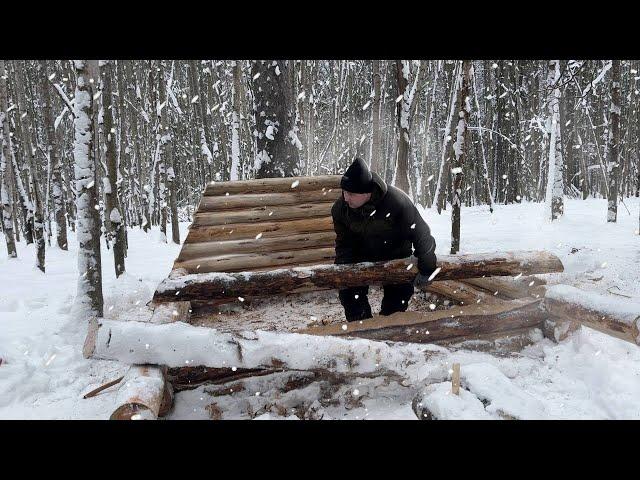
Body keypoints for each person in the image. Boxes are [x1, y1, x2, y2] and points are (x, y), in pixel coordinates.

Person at [331, 157, 437, 322]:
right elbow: (344, 244)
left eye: (351, 193)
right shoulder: (341, 209)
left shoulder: (397, 202)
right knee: (351, 301)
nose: (346, 198)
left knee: (395, 308)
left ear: (367, 192)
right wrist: (344, 276)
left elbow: (421, 234)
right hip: (361, 258)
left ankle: (389, 332)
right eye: (344, 192)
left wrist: (427, 268)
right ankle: (364, 331)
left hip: (396, 255)